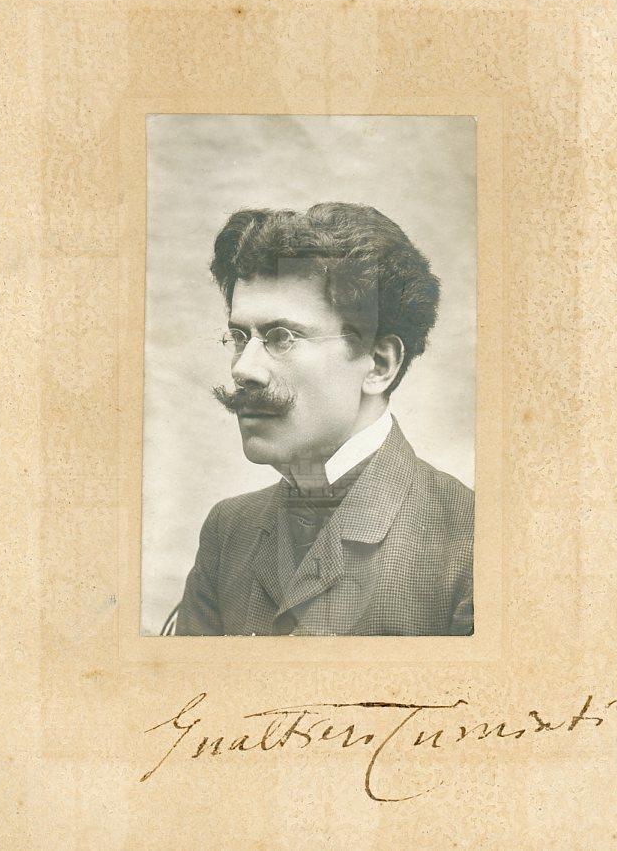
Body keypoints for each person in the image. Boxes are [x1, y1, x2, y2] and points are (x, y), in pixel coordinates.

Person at [162, 202, 473, 636]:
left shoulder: (473, 542)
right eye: (239, 337)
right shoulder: (228, 531)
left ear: (379, 364)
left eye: (282, 338)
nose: (243, 369)